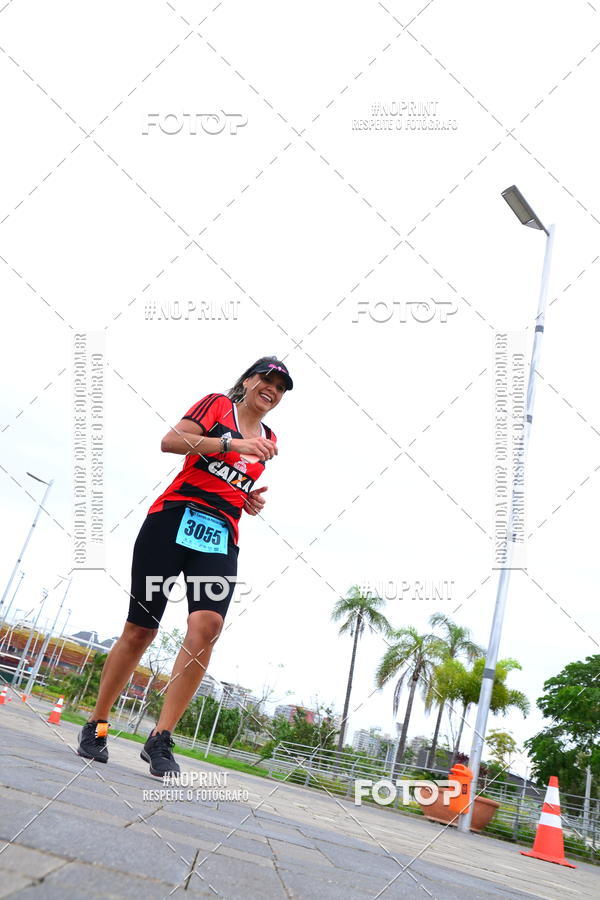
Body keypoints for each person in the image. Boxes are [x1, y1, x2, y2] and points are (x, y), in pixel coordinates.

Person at [77, 356, 293, 775]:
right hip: (172, 520)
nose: (273, 389)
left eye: (281, 387)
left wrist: (248, 499)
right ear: (248, 380)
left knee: (207, 626)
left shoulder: (270, 440)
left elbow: (229, 480)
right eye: (267, 379)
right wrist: (232, 445)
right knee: (141, 629)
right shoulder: (216, 405)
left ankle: (161, 738)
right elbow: (172, 442)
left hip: (219, 534)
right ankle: (97, 724)